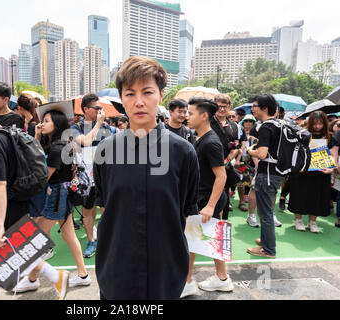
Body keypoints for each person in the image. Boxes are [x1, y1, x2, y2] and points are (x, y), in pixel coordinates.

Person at [93, 56, 200, 300]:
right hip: (116, 272)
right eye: (130, 94)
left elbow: (186, 211)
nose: (139, 102)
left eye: (147, 92)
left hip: (166, 273)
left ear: (161, 95)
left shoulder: (184, 152)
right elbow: (105, 207)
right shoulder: (105, 151)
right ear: (121, 98)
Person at [0, 93, 69, 300]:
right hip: (17, 202)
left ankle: (55, 275)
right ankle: (55, 275)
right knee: (11, 250)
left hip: (3, 205)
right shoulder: (8, 134)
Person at [13, 109, 91, 293]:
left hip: (57, 194)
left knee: (36, 238)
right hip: (63, 193)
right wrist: (37, 135)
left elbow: (44, 177)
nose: (43, 123)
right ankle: (83, 275)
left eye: (47, 121)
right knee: (67, 235)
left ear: (56, 124)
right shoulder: (62, 143)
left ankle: (32, 279)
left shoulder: (57, 148)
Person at [182, 98, 232, 298]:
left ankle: (186, 282)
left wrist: (210, 206)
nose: (187, 116)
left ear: (204, 116)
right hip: (204, 199)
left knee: (191, 241)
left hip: (206, 201)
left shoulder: (211, 142)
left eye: (191, 113)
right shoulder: (200, 137)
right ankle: (222, 278)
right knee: (212, 240)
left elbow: (222, 175)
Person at [70, 93, 117, 259]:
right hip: (86, 179)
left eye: (101, 108)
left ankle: (108, 239)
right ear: (85, 110)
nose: (100, 111)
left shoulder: (109, 129)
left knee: (108, 209)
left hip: (106, 177)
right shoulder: (75, 128)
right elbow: (86, 141)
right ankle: (92, 241)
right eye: (97, 108)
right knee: (88, 211)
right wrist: (97, 124)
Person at [246, 94, 285, 259]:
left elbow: (261, 154)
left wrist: (250, 151)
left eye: (255, 106)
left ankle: (268, 249)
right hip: (278, 173)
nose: (252, 109)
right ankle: (265, 241)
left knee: (266, 213)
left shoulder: (266, 127)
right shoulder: (279, 124)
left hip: (267, 173)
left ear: (265, 108)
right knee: (267, 210)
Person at [288, 111, 334, 233]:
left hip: (321, 172)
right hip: (303, 171)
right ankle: (298, 220)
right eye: (315, 124)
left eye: (320, 124)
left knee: (318, 195)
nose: (317, 126)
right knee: (300, 193)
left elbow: (334, 154)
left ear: (324, 123)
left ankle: (312, 221)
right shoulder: (304, 134)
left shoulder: (329, 137)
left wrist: (331, 168)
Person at [211, 94, 242, 217]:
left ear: (229, 107)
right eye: (219, 106)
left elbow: (235, 147)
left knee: (223, 199)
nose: (222, 109)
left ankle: (221, 227)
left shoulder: (234, 126)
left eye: (225, 106)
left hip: (224, 168)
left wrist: (227, 159)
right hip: (207, 168)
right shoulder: (206, 121)